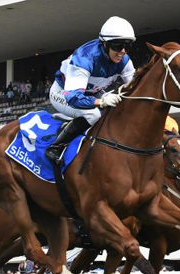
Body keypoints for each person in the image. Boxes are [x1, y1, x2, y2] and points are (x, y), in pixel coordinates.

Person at [45, 16, 136, 164]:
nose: (123, 51)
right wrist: (101, 101)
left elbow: (135, 86)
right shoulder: (85, 58)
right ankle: (55, 147)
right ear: (104, 44)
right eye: (118, 46)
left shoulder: (124, 60)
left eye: (127, 45)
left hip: (92, 92)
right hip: (64, 94)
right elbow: (74, 98)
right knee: (94, 114)